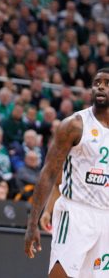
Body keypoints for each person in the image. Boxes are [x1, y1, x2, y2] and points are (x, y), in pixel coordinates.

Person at [25, 68, 109, 278]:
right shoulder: (74, 125)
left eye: (107, 83)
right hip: (75, 213)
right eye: (97, 82)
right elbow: (50, 173)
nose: (101, 86)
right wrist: (33, 222)